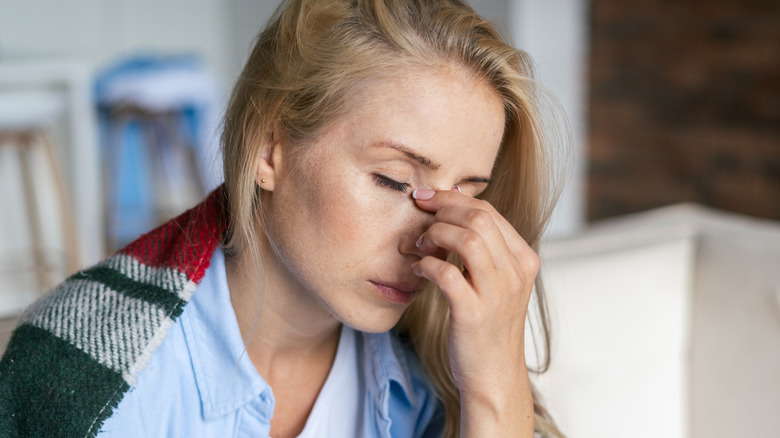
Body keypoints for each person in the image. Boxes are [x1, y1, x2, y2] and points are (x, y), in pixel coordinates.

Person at [0, 0, 568, 436]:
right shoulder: (85, 385)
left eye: (465, 197)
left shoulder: (437, 373)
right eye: (395, 180)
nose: (431, 242)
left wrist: (497, 391)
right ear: (270, 148)